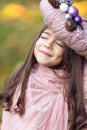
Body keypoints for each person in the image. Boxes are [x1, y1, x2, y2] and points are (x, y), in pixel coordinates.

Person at [0, 0, 87, 130]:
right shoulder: (24, 79)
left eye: (58, 44)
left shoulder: (81, 90)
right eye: (45, 37)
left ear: (70, 57)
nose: (48, 44)